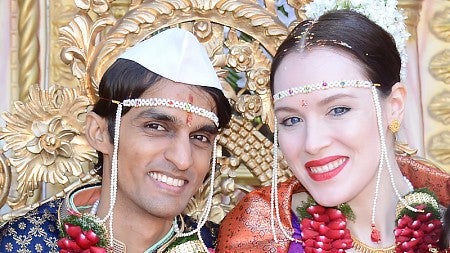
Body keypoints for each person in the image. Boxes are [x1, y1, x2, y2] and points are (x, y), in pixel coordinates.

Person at [216, 0, 450, 252]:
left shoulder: (444, 227)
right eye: (291, 120)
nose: (313, 143)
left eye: (338, 110)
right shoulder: (259, 238)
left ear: (394, 105)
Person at [0, 28, 231, 253]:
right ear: (99, 132)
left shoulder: (224, 246)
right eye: (156, 127)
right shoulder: (25, 243)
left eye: (200, 137)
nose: (183, 159)